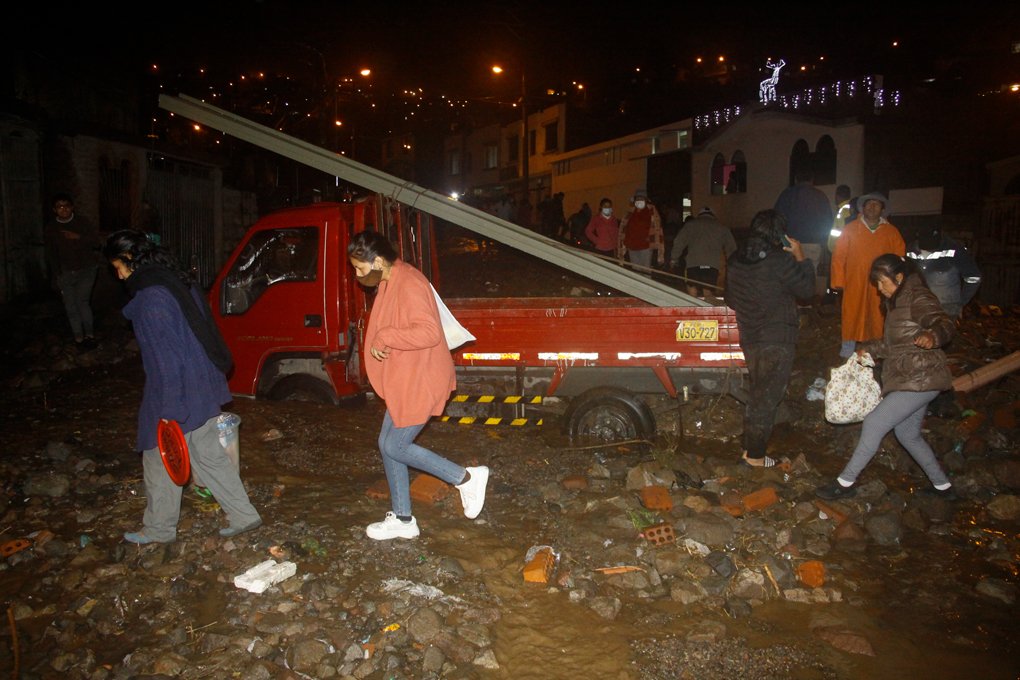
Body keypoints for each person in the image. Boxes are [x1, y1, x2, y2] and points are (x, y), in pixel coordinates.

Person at [103, 230, 262, 544]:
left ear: (129, 259)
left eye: (118, 266)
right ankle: (244, 514)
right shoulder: (177, 280)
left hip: (177, 386)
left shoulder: (150, 299)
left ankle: (159, 529)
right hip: (203, 379)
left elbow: (167, 360)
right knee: (207, 452)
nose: (118, 276)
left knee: (157, 453)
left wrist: (169, 410)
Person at [348, 230, 490, 540]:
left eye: (360, 268)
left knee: (395, 445)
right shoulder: (390, 279)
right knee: (387, 445)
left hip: (421, 380)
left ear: (379, 261)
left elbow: (428, 332)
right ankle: (402, 519)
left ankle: (466, 478)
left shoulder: (408, 283)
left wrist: (385, 337)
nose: (358, 276)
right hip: (406, 380)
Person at [816, 253, 957, 500]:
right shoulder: (898, 303)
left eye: (883, 282)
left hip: (920, 378)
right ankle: (943, 487)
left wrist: (933, 335)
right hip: (911, 377)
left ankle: (845, 483)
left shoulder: (917, 296)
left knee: (874, 423)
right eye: (877, 284)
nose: (880, 289)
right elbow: (895, 345)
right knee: (908, 435)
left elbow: (943, 322)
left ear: (899, 277)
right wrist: (870, 347)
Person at [726, 210, 815, 468]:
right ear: (779, 235)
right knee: (766, 398)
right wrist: (800, 257)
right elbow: (808, 289)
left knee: (758, 394)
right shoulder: (779, 261)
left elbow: (731, 299)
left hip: (751, 338)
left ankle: (748, 450)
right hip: (777, 337)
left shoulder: (734, 260)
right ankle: (754, 457)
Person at [830, 192, 905, 358]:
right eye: (868, 204)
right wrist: (838, 281)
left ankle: (875, 351)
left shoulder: (891, 232)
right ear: (862, 208)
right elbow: (838, 256)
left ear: (882, 209)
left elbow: (900, 258)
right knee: (851, 313)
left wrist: (897, 283)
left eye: (876, 204)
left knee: (878, 316)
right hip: (854, 282)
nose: (872, 207)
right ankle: (847, 349)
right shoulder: (850, 229)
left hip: (882, 284)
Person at [44, 193, 104, 348]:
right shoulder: (51, 228)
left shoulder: (81, 223)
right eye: (59, 207)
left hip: (87, 269)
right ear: (54, 210)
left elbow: (96, 242)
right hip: (66, 272)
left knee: (82, 301)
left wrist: (78, 237)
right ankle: (78, 337)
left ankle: (89, 334)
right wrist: (56, 275)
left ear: (72, 207)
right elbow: (51, 253)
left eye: (66, 206)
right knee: (70, 305)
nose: (63, 209)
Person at [773, 168, 834, 301]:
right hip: (813, 244)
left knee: (791, 276)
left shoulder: (786, 194)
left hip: (790, 244)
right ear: (812, 180)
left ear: (796, 179)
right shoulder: (821, 196)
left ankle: (793, 306)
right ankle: (807, 306)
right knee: (809, 276)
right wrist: (822, 242)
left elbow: (776, 219)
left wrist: (783, 242)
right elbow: (828, 221)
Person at [906, 227, 982, 319]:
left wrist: (960, 302)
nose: (928, 249)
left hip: (946, 310)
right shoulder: (910, 250)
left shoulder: (955, 250)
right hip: (918, 307)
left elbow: (974, 277)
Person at [669, 207, 737, 297]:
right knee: (708, 290)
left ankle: (693, 306)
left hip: (693, 264)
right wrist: (733, 266)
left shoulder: (690, 225)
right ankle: (707, 306)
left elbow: (679, 242)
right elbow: (731, 248)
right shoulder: (722, 228)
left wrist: (674, 259)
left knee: (692, 286)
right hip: (712, 265)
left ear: (699, 215)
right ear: (713, 216)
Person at [618, 189, 664, 273]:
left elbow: (658, 229)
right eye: (637, 199)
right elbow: (623, 228)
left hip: (645, 247)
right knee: (635, 272)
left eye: (642, 199)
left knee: (646, 271)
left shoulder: (652, 212)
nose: (639, 201)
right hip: (632, 246)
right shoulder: (630, 212)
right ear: (634, 200)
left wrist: (659, 249)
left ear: (646, 200)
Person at [827, 184, 856, 253]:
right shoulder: (849, 208)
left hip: (841, 250)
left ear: (837, 196)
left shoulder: (843, 211)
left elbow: (841, 232)